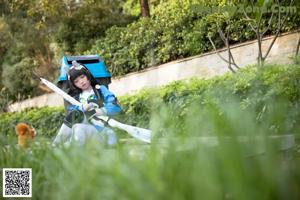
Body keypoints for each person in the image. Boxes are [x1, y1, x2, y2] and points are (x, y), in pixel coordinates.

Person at [52, 61, 121, 146]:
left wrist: (99, 111)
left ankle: (56, 146)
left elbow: (115, 107)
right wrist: (82, 108)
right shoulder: (76, 99)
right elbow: (71, 114)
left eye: (82, 77)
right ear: (74, 85)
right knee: (77, 126)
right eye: (76, 81)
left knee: (77, 130)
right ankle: (55, 145)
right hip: (84, 131)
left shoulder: (100, 90)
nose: (81, 82)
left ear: (87, 75)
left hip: (104, 131)